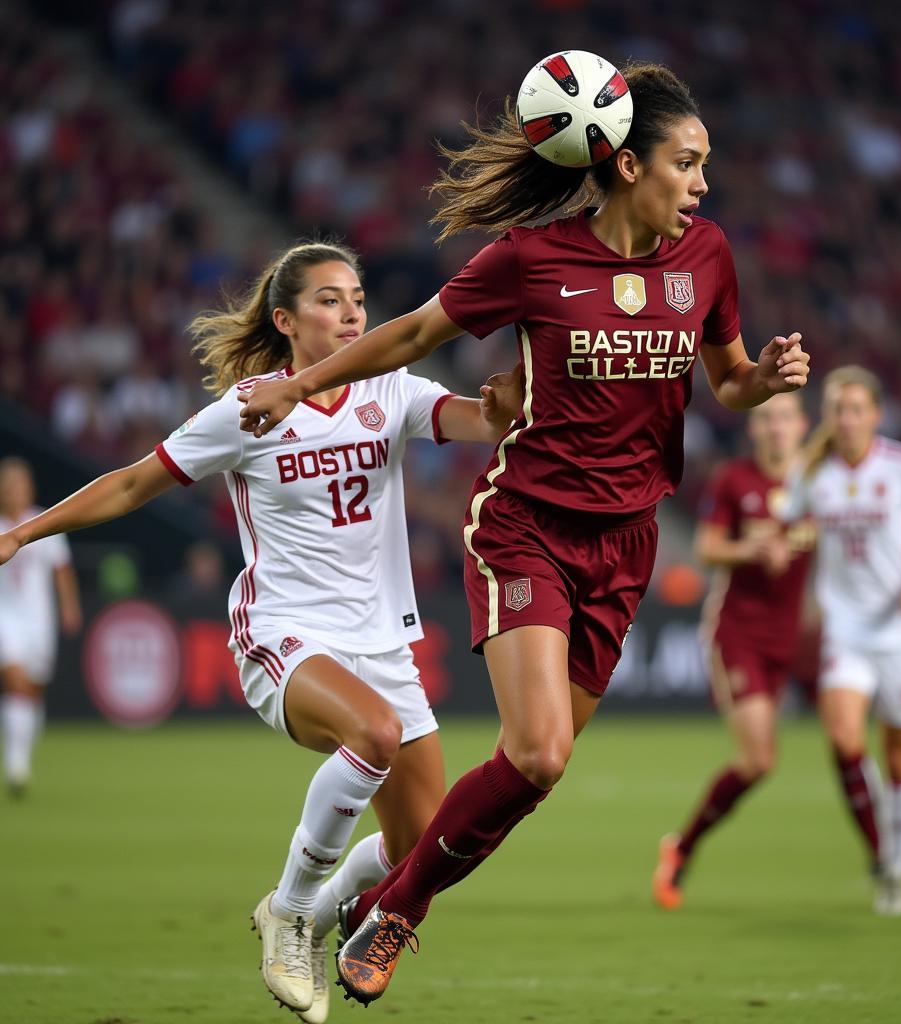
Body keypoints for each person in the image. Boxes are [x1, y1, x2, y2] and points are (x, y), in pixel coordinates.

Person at [236, 63, 811, 1005]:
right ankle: (398, 918)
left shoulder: (706, 255)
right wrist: (300, 385)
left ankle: (379, 903)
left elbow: (731, 380)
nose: (703, 182)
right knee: (538, 749)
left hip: (629, 543)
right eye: (687, 161)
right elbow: (416, 334)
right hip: (528, 528)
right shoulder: (533, 260)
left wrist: (768, 380)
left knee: (533, 775)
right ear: (626, 165)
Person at [0, 241, 522, 1023]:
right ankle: (290, 908)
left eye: (357, 297)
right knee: (373, 734)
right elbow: (136, 481)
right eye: (329, 300)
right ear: (285, 320)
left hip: (382, 641)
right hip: (284, 635)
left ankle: (316, 913)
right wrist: (21, 534)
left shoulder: (389, 387)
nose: (351, 312)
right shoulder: (248, 409)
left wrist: (507, 409)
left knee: (427, 846)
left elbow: (478, 421)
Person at [781, 366, 901, 915]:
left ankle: (897, 869)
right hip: (847, 629)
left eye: (857, 409)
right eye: (839, 409)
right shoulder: (813, 474)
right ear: (829, 417)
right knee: (843, 740)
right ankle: (881, 847)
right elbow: (790, 528)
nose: (848, 419)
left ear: (876, 415)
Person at [652, 392, 817, 909]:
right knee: (760, 759)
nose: (775, 428)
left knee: (830, 740)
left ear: (802, 425)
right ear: (753, 428)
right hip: (737, 632)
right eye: (765, 418)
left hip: (790, 636)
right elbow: (705, 548)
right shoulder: (734, 480)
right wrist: (751, 548)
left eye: (784, 418)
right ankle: (681, 847)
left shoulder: (817, 486)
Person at [0, 457, 82, 796]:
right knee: (16, 680)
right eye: (10, 486)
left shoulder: (44, 522)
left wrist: (69, 607)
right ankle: (16, 767)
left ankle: (22, 757)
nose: (16, 491)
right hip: (5, 614)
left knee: (32, 689)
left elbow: (61, 570)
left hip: (38, 617)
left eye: (21, 484)